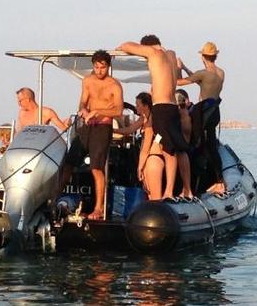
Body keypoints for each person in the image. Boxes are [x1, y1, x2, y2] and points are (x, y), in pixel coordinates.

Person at [117, 35, 193, 200]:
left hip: (161, 108)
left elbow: (126, 44)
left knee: (167, 151)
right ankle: (182, 190)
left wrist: (123, 47)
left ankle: (168, 192)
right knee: (175, 149)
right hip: (172, 107)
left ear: (147, 47)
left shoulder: (153, 53)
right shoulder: (171, 55)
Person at [60, 50, 124, 220]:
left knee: (96, 167)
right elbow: (83, 100)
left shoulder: (115, 85)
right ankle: (54, 198)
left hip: (103, 127)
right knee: (69, 163)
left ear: (108, 67)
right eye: (96, 67)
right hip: (86, 126)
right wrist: (83, 109)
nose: (99, 71)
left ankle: (98, 208)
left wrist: (97, 111)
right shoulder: (87, 80)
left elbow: (118, 110)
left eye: (102, 67)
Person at [177, 41, 225, 195]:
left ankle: (194, 184)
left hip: (204, 113)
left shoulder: (203, 73)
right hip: (215, 112)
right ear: (215, 56)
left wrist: (178, 69)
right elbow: (201, 80)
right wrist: (185, 67)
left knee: (197, 145)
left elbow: (180, 82)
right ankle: (219, 181)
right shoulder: (220, 73)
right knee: (211, 145)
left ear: (203, 57)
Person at [114, 92, 164, 200]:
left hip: (152, 155)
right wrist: (113, 130)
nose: (136, 107)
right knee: (149, 192)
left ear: (145, 106)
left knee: (154, 195)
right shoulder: (143, 118)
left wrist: (140, 166)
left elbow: (146, 146)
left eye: (138, 105)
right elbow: (130, 129)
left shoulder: (150, 121)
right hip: (149, 157)